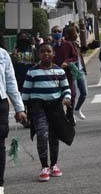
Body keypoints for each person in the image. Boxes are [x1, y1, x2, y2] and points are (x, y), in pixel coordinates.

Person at [21, 44, 72, 182]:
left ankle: (54, 165)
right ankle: (44, 166)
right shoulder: (32, 72)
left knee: (54, 137)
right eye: (42, 52)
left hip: (55, 108)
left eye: (48, 51)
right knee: (42, 135)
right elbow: (25, 93)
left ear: (53, 53)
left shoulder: (59, 71)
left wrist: (67, 98)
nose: (46, 54)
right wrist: (22, 110)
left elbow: (66, 88)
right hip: (38, 108)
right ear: (38, 54)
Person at [1, 44, 27, 194]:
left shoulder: (2, 54)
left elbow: (11, 81)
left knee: (0, 144)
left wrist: (19, 108)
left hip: (0, 103)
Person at [51, 25, 78, 125]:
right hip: (53, 75)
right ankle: (60, 116)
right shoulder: (50, 46)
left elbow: (75, 57)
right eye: (55, 31)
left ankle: (70, 114)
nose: (57, 33)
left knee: (72, 94)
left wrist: (67, 62)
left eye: (59, 31)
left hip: (67, 74)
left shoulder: (68, 44)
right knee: (57, 96)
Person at [63, 25, 88, 121]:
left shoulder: (76, 44)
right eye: (75, 32)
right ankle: (70, 113)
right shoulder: (66, 44)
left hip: (80, 70)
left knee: (84, 93)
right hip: (71, 71)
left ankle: (76, 110)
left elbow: (79, 55)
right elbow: (68, 57)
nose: (77, 34)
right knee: (73, 94)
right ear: (70, 34)